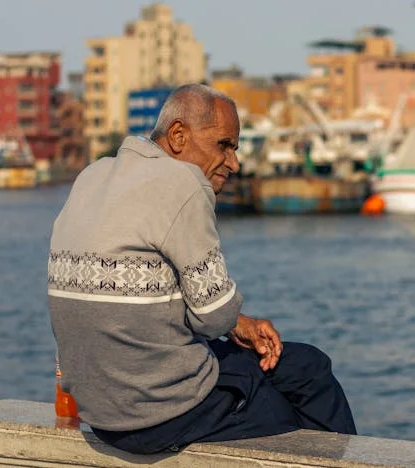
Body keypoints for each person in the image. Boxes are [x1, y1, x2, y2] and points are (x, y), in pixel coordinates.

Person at [47, 84, 356, 454]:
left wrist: (239, 324)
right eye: (224, 145)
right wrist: (231, 318)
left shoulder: (92, 177)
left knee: (304, 365)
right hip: (160, 416)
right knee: (294, 404)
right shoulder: (185, 183)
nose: (234, 163)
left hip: (102, 412)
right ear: (178, 136)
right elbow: (213, 316)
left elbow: (142, 290)